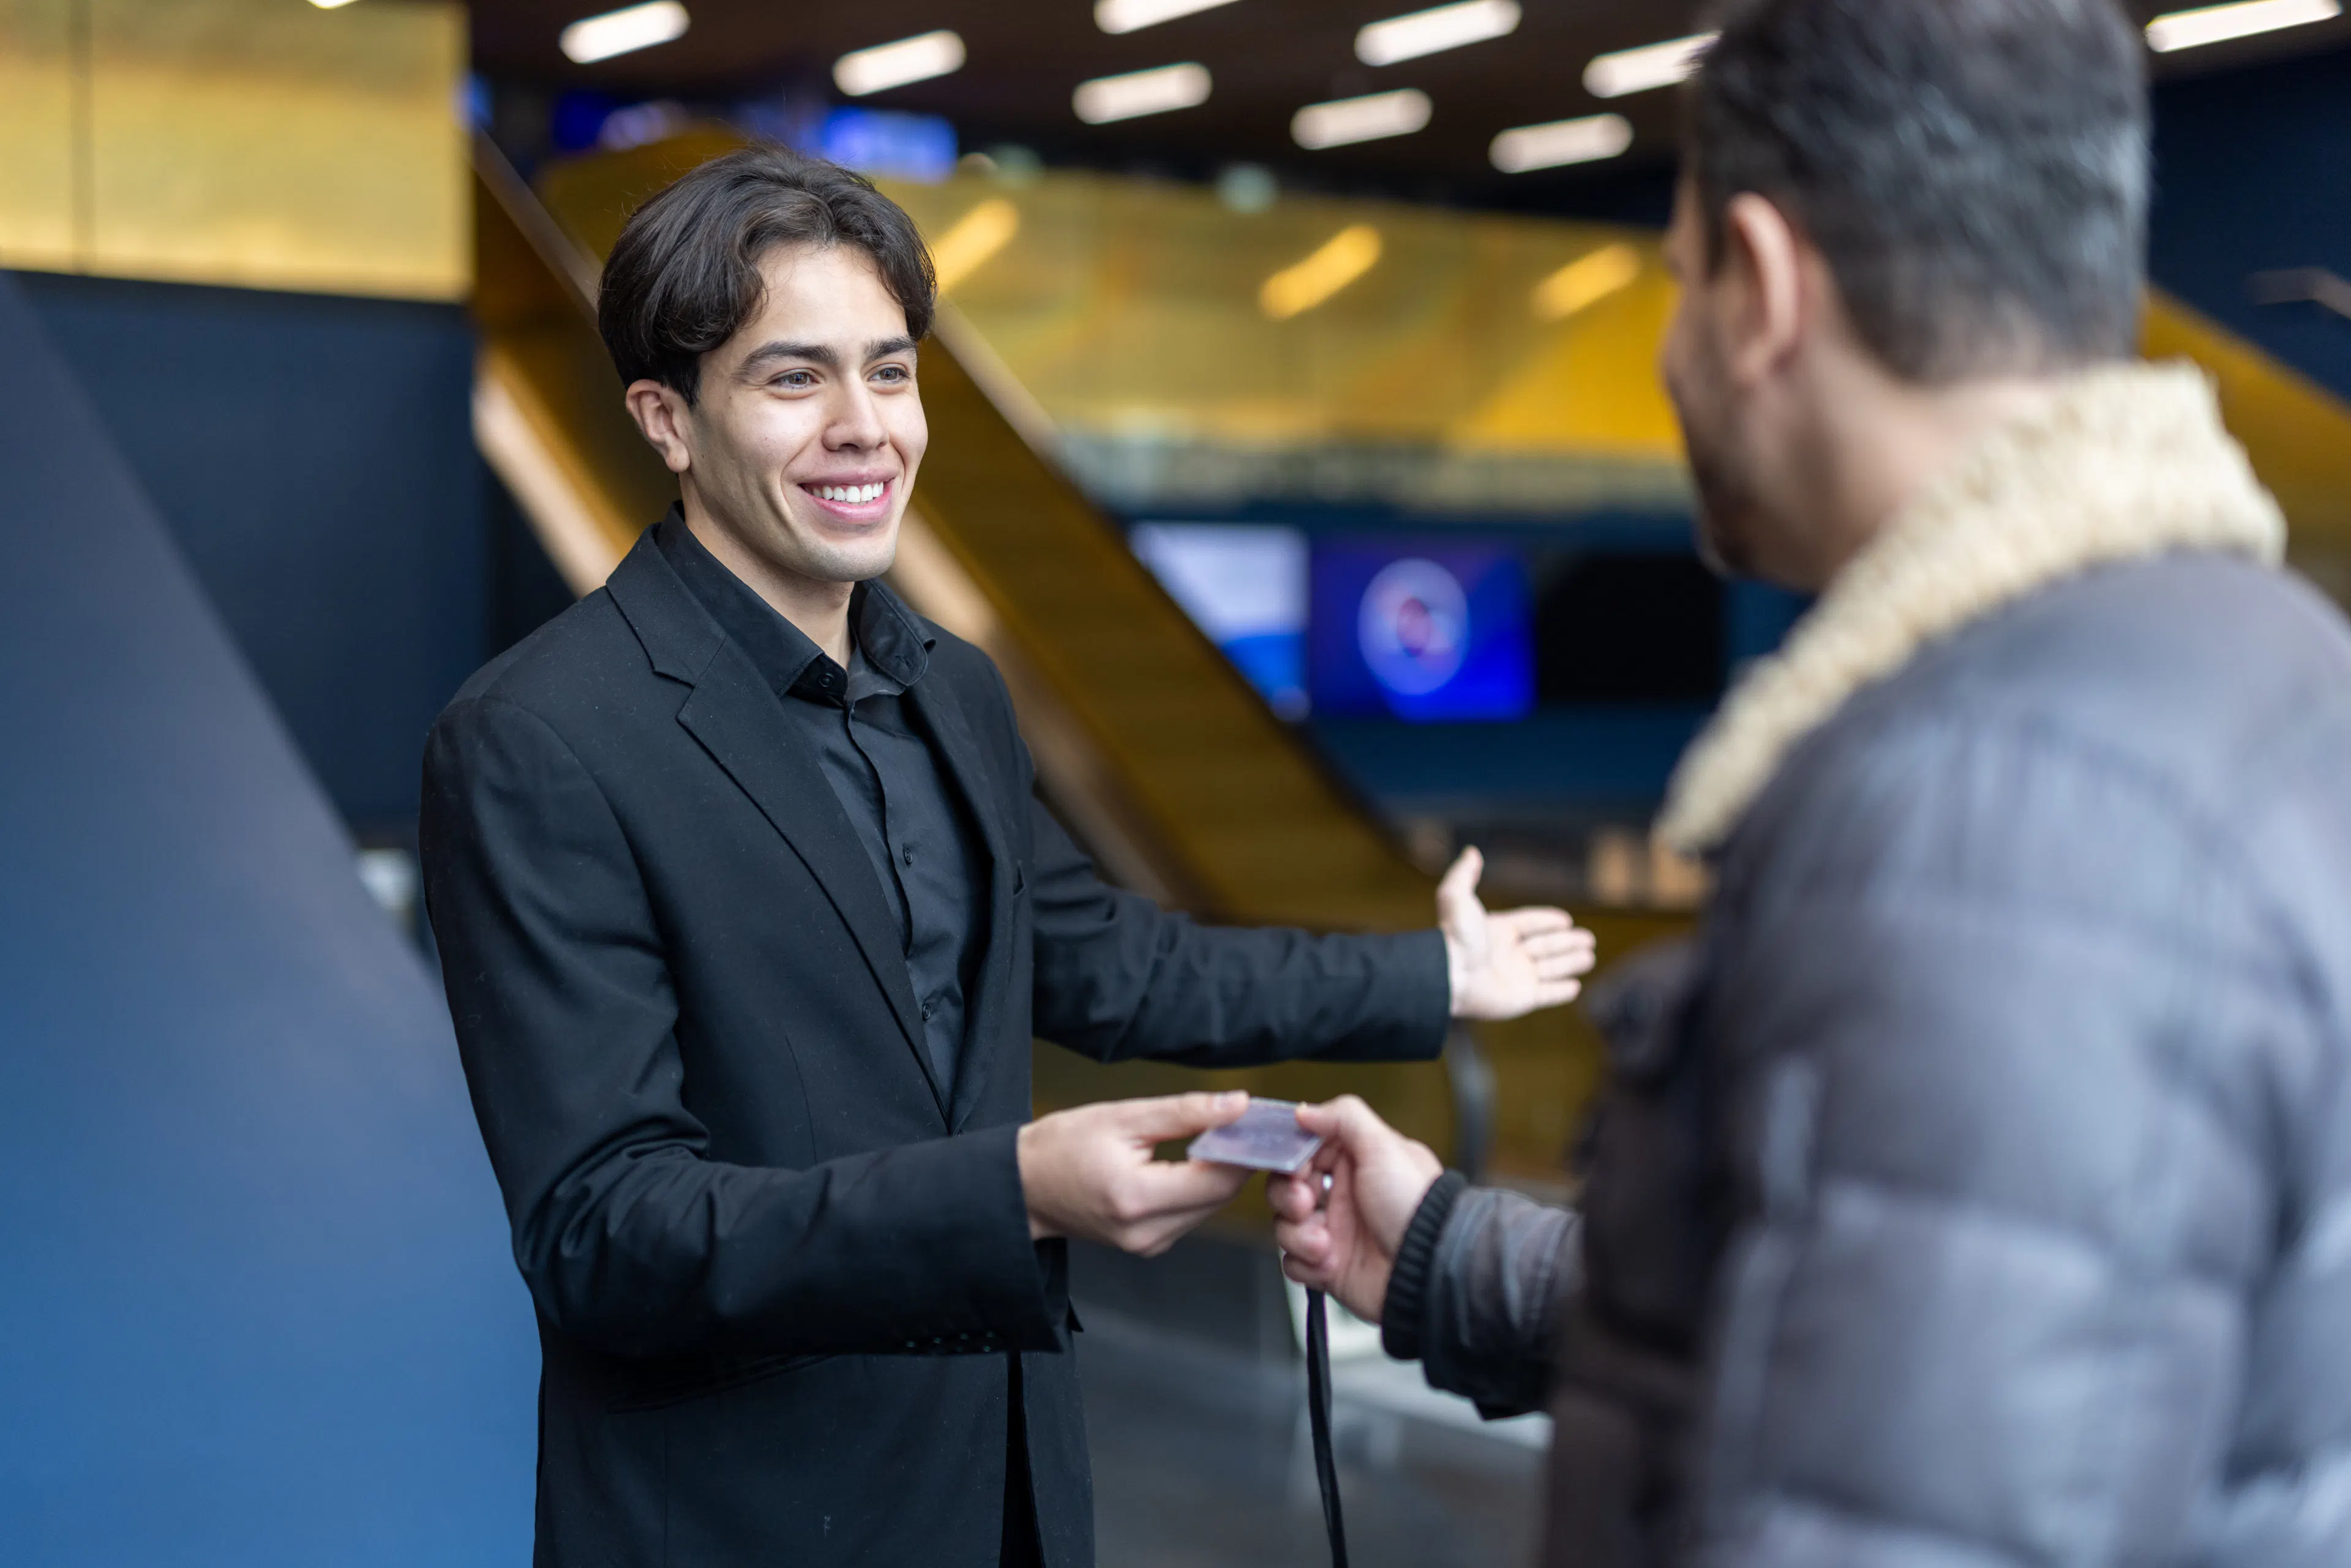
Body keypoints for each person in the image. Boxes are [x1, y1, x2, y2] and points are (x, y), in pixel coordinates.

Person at [1273, 1, 2351, 1564]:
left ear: (1764, 289)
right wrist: (1448, 1250)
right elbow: (1906, 1307)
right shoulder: (2269, 665)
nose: (1666, 351)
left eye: (1677, 280)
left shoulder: (1977, 812)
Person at [418, 146, 1594, 1568]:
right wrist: (1015, 1191)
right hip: (746, 1515)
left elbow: (1110, 961)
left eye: (892, 371)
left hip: (1012, 1496)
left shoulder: (953, 687)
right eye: (794, 379)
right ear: (666, 420)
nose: (866, 427)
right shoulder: (538, 737)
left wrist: (1429, 973)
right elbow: (608, 1233)